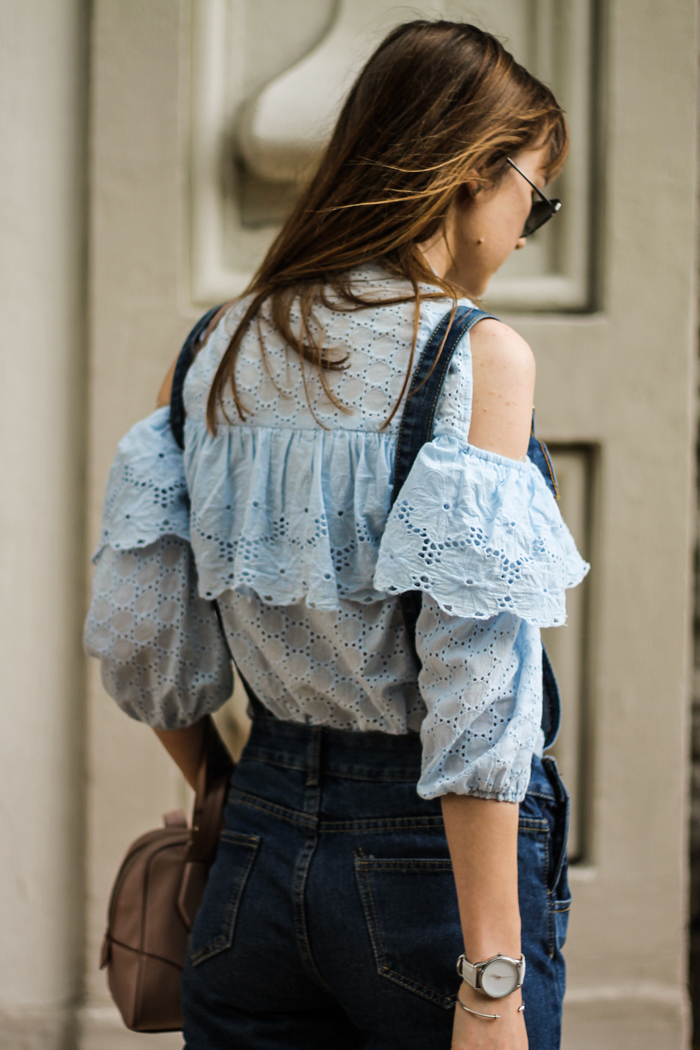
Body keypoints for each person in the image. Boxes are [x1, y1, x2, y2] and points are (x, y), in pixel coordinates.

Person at [85, 19, 588, 1050]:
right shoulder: (474, 356)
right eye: (534, 201)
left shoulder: (214, 347)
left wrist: (229, 793)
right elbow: (474, 685)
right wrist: (491, 979)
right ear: (473, 174)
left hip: (256, 851)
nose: (523, 234)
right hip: (427, 874)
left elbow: (142, 639)